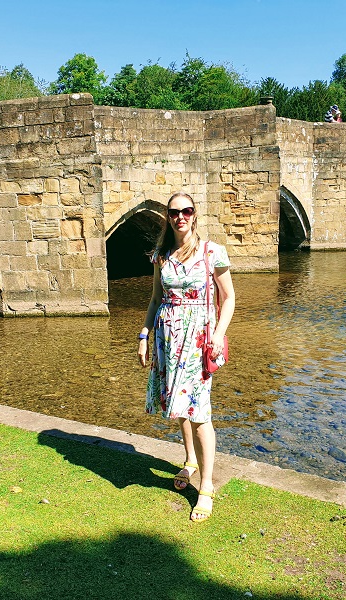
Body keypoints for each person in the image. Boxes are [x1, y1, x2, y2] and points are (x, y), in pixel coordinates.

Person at [138, 191, 235, 522]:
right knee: (177, 401)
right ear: (168, 216)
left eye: (187, 211)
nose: (180, 216)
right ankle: (190, 460)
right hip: (167, 338)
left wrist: (219, 335)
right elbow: (154, 299)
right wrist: (144, 336)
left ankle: (206, 487)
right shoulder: (161, 256)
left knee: (199, 411)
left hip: (198, 341)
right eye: (174, 212)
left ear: (195, 214)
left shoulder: (212, 252)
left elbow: (229, 297)